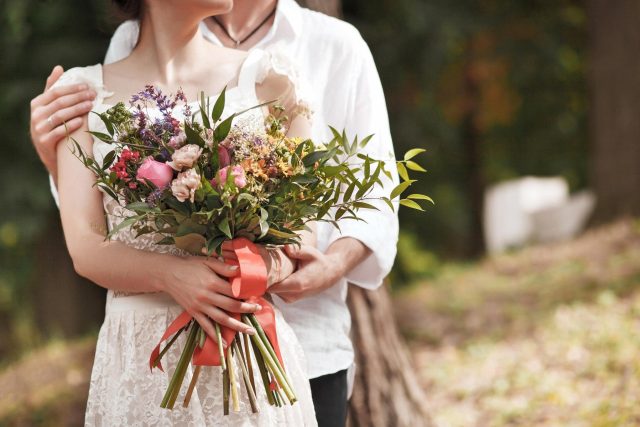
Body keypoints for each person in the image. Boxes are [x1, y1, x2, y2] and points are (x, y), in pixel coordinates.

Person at [30, 1, 399, 425]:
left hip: (264, 346)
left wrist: (261, 268)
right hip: (141, 359)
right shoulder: (86, 91)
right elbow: (91, 238)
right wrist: (172, 274)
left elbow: (306, 227)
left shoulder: (274, 80)